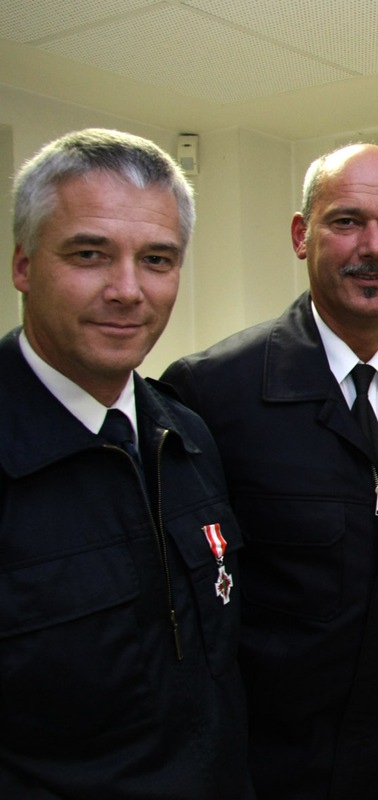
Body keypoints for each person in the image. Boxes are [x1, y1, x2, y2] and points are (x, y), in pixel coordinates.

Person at [160, 143, 378, 800]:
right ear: (300, 235)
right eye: (346, 221)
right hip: (261, 774)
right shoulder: (211, 394)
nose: (373, 247)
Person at [0, 128, 252, 797]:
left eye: (158, 260)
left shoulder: (189, 435)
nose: (127, 290)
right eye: (90, 254)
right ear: (23, 265)